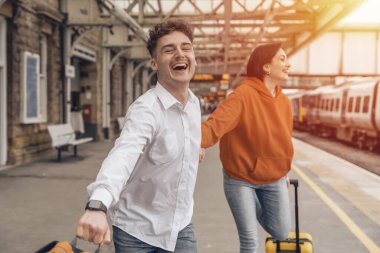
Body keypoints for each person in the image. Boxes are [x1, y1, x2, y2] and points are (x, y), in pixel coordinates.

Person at [76, 20, 201, 253]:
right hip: (138, 232)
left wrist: (192, 150)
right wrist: (98, 205)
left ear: (194, 56)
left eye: (186, 47)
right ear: (154, 63)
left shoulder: (194, 104)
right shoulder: (147, 110)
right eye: (169, 49)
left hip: (180, 225)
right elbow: (124, 154)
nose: (179, 54)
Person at [201, 42, 293, 253]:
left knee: (281, 232)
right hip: (240, 179)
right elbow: (214, 126)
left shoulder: (284, 102)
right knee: (250, 241)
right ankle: (247, 201)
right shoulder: (242, 95)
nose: (288, 65)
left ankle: (252, 203)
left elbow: (284, 138)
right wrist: (197, 141)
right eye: (282, 59)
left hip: (273, 177)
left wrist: (285, 169)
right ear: (266, 67)